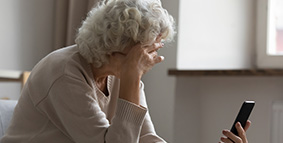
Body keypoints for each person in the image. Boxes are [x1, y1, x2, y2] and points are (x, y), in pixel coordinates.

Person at [0, 0, 251, 142]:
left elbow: (146, 138)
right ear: (117, 47)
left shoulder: (121, 75)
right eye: (146, 52)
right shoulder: (65, 73)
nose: (152, 60)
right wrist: (133, 78)